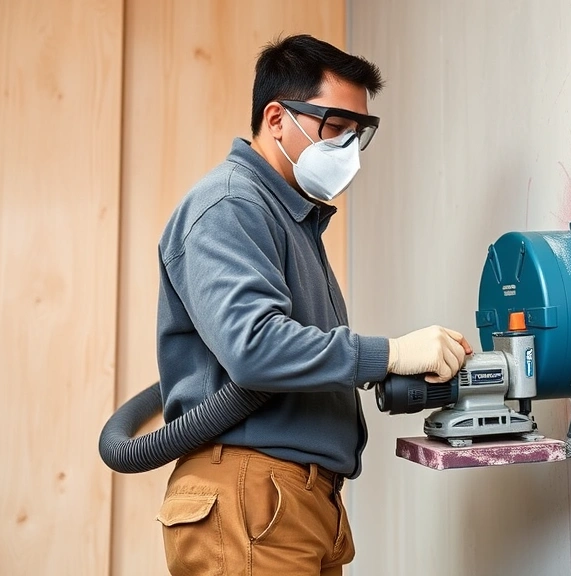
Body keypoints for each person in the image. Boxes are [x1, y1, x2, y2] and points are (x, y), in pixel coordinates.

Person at [153, 34, 471, 575]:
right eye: (335, 127)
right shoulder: (229, 205)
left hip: (294, 500)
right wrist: (391, 353)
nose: (347, 147)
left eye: (357, 133)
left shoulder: (291, 218)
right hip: (252, 495)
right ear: (276, 118)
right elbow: (254, 349)